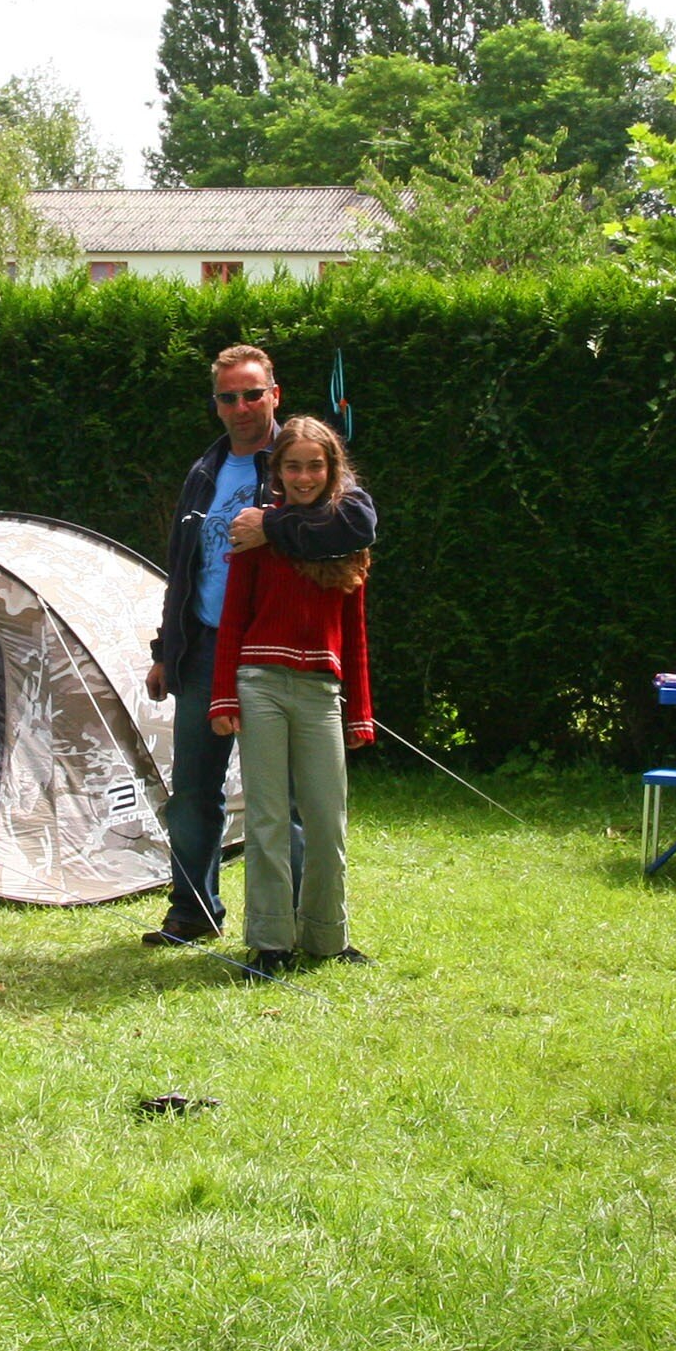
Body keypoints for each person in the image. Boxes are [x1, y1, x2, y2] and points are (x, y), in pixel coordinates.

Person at [144, 343, 376, 946]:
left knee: (294, 803)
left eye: (253, 393)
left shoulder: (300, 457)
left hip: (280, 654)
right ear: (216, 404)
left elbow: (358, 524)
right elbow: (185, 565)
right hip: (204, 651)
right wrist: (165, 650)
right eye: (229, 397)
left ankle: (299, 921)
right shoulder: (206, 471)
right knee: (194, 793)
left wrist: (268, 524)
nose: (242, 406)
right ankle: (192, 912)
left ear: (275, 393)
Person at [209, 415, 372, 974]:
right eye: (293, 466)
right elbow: (232, 621)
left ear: (332, 470)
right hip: (259, 686)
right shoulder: (254, 533)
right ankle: (270, 942)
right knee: (268, 819)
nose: (304, 477)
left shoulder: (345, 537)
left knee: (328, 819)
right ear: (277, 471)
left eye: (315, 466)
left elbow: (355, 636)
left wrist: (362, 712)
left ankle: (328, 937)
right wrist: (223, 698)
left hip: (321, 692)